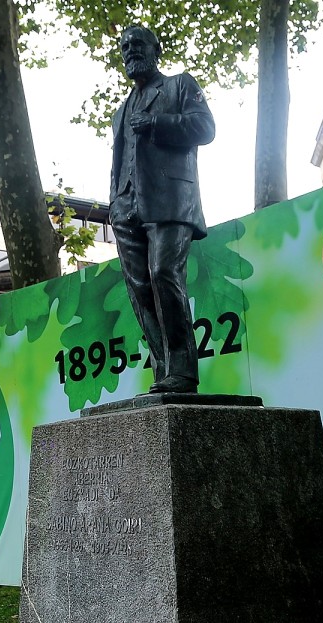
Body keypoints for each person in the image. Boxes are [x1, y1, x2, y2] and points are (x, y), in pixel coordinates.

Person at [109, 24, 216, 394]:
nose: (130, 50)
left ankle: (182, 370)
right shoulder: (120, 112)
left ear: (157, 49)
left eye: (138, 44)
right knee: (139, 290)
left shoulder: (179, 85)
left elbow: (205, 128)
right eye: (124, 46)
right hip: (126, 208)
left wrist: (156, 123)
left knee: (164, 274)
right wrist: (115, 203)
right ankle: (163, 371)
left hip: (170, 201)